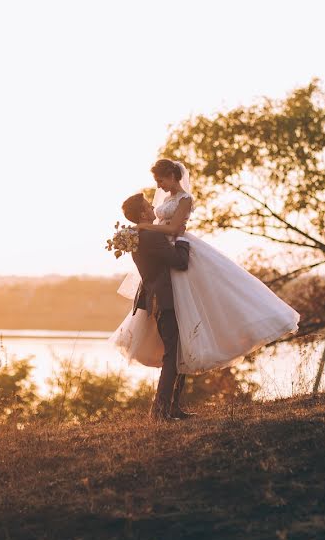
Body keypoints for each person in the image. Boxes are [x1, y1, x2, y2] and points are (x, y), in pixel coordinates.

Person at [109, 159, 300, 398]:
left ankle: (169, 407)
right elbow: (163, 239)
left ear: (171, 175)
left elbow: (175, 230)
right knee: (176, 347)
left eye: (160, 181)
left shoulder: (183, 201)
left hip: (178, 247)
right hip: (168, 265)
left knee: (194, 324)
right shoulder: (156, 220)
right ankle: (165, 408)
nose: (159, 187)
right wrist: (145, 230)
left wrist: (145, 229)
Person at [119, 192, 191, 421]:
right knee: (172, 354)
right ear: (143, 214)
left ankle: (172, 408)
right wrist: (183, 240)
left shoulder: (138, 236)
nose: (153, 207)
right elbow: (180, 262)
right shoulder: (151, 236)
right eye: (149, 206)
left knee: (176, 352)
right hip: (165, 299)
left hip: (157, 298)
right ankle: (160, 410)